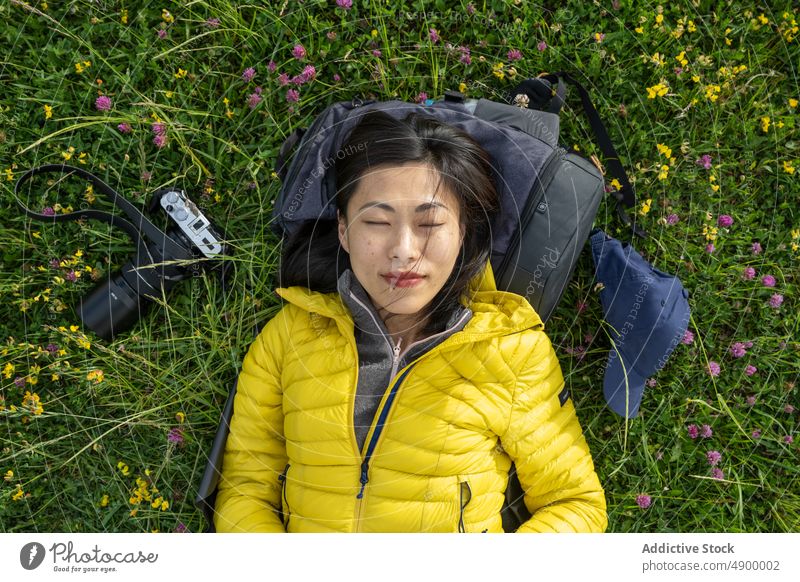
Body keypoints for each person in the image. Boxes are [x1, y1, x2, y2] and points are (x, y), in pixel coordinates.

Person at [214, 109, 607, 533]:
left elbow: (576, 503)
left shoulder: (513, 352)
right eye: (378, 222)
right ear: (343, 231)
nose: (403, 249)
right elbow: (244, 490)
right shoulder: (287, 338)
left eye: (430, 223)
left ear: (463, 231)